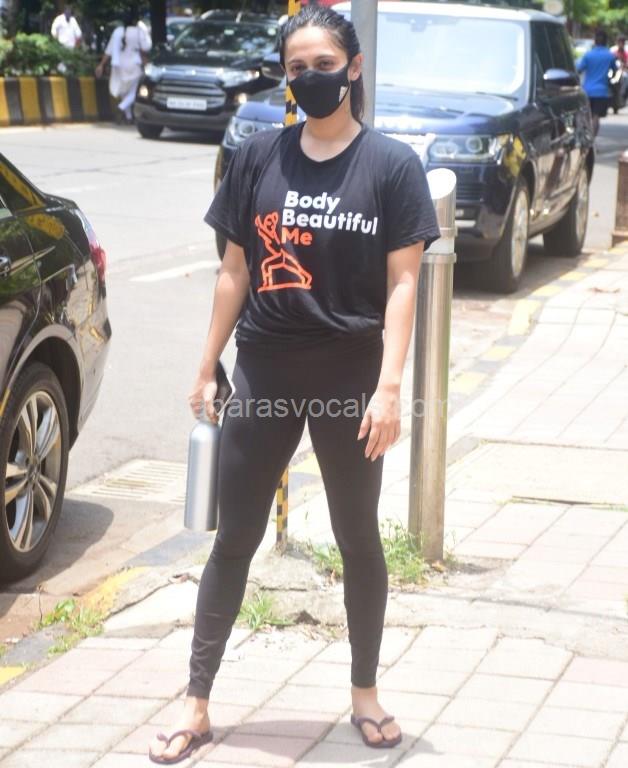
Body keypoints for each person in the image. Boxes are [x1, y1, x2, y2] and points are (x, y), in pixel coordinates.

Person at [148, 6, 440, 765]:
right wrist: (207, 363)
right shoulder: (256, 158)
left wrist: (388, 388)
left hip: (350, 375)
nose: (310, 78)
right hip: (266, 369)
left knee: (358, 537)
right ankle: (196, 702)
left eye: (324, 65)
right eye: (296, 68)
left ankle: (365, 694)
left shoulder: (391, 166)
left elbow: (403, 285)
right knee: (234, 538)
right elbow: (233, 272)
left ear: (354, 68)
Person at [95, 9, 151, 122]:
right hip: (134, 65)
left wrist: (101, 65)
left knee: (123, 91)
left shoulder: (117, 31)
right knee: (135, 90)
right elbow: (146, 47)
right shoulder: (138, 32)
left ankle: (128, 117)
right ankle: (121, 107)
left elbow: (108, 51)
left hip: (118, 64)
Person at [577, 29, 620, 136]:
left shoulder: (588, 55)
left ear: (595, 41)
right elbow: (615, 71)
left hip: (587, 90)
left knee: (586, 115)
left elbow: (579, 69)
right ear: (606, 41)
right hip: (601, 92)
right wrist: (609, 80)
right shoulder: (610, 56)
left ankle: (585, 137)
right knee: (596, 116)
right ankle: (592, 139)